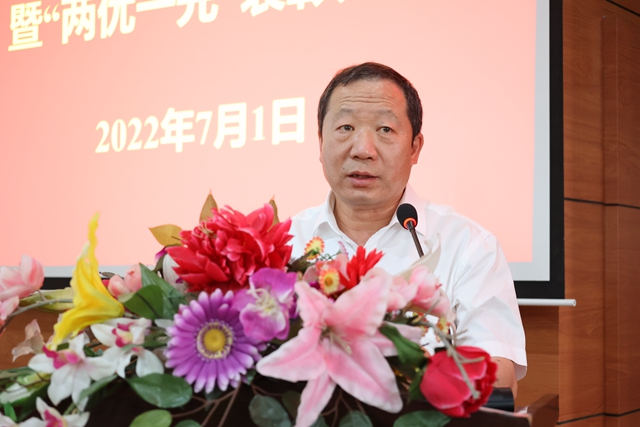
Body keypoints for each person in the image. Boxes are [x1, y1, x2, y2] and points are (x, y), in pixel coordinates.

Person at [288, 62, 526, 396]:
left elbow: (497, 378)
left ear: (415, 147)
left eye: (385, 129)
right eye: (345, 127)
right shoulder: (286, 243)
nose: (362, 149)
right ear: (320, 141)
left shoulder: (469, 246)